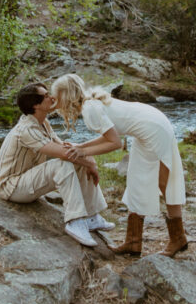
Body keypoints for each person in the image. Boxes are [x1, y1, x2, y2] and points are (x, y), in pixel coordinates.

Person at [51, 73, 187, 257]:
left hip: (154, 128)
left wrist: (84, 152)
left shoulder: (90, 109)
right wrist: (80, 146)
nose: (53, 101)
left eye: (55, 97)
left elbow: (115, 143)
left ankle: (178, 239)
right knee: (136, 180)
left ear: (65, 96)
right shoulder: (90, 106)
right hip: (146, 128)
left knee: (165, 183)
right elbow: (110, 134)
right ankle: (133, 242)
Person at [0, 82, 114, 247]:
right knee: (63, 164)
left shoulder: (43, 123)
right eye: (46, 96)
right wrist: (91, 163)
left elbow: (65, 147)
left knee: (77, 161)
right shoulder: (27, 129)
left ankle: (91, 216)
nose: (52, 97)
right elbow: (63, 154)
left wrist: (88, 160)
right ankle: (75, 221)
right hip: (12, 187)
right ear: (35, 105)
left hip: (27, 180)